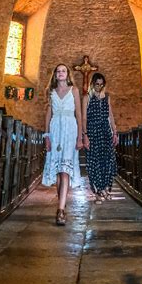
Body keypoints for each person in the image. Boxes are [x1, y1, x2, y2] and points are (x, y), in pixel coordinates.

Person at [41, 63, 83, 225]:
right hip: (55, 130)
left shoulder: (74, 90)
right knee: (58, 171)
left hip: (70, 131)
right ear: (55, 75)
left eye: (63, 71)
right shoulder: (51, 92)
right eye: (58, 71)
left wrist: (80, 136)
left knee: (65, 171)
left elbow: (78, 114)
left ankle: (60, 211)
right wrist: (47, 136)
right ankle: (62, 205)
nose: (61, 73)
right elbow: (48, 114)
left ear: (68, 74)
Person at [82, 72, 118, 203]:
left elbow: (111, 116)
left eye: (101, 85)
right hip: (92, 131)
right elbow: (84, 117)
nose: (99, 87)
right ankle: (97, 191)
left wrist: (115, 132)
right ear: (92, 84)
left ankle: (105, 189)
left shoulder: (106, 97)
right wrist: (85, 135)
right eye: (97, 84)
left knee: (107, 160)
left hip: (105, 132)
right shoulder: (87, 97)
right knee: (94, 162)